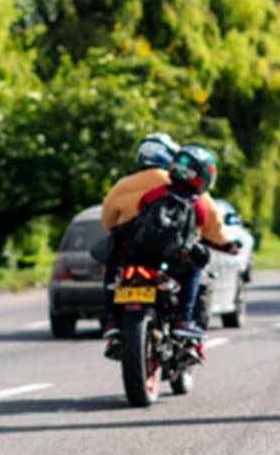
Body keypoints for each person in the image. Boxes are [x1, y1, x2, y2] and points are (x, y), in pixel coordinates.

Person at [99, 140, 238, 356]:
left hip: (134, 254)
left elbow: (110, 219)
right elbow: (208, 224)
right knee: (195, 269)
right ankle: (183, 320)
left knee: (112, 265)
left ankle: (112, 319)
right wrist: (226, 243)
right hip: (172, 259)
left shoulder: (128, 186)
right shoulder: (196, 199)